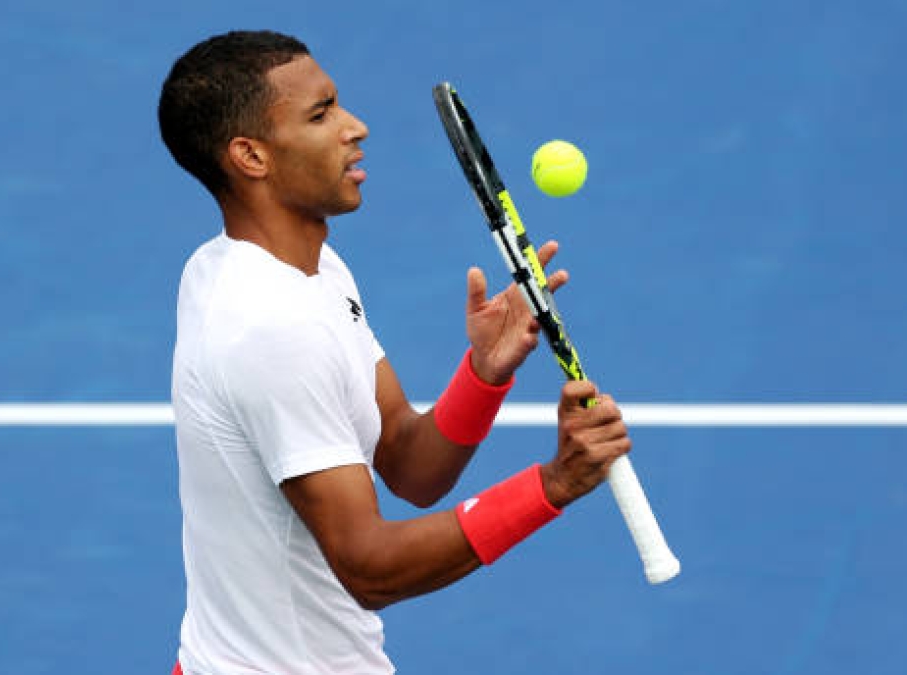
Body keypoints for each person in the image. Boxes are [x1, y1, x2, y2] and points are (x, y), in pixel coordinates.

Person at [158, 30, 632, 675]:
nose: (356, 127)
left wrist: (483, 374)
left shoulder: (292, 269)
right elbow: (369, 568)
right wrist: (553, 485)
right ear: (251, 156)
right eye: (321, 113)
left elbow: (411, 466)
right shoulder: (270, 327)